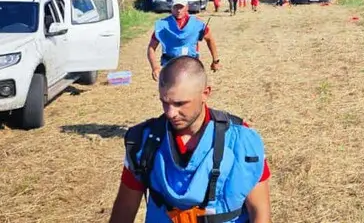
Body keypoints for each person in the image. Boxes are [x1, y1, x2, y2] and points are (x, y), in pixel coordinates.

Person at [109, 56, 272, 223]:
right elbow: (125, 210)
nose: (170, 113)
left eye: (180, 103)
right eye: (165, 102)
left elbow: (259, 211)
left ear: (205, 93)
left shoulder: (241, 141)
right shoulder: (143, 142)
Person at [146, 0, 220, 81]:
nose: (178, 10)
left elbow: (210, 39)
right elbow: (151, 47)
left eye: (181, 7)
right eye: (176, 7)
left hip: (191, 66)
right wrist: (155, 67)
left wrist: (215, 61)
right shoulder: (163, 25)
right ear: (171, 8)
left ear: (187, 7)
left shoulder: (197, 24)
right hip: (170, 66)